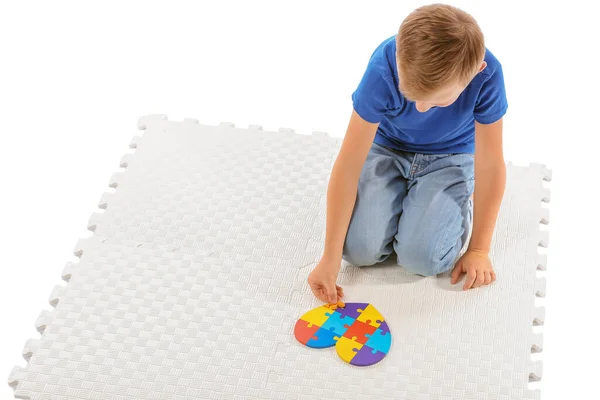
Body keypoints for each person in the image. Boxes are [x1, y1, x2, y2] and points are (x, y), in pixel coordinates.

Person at [308, 4, 508, 304]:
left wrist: (479, 249)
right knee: (358, 252)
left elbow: (490, 165)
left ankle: (448, 204)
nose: (422, 109)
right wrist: (329, 257)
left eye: (438, 102)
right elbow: (348, 164)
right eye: (411, 97)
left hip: (450, 156)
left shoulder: (489, 74)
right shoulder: (382, 67)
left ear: (475, 73)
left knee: (423, 260)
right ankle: (404, 198)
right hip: (387, 147)